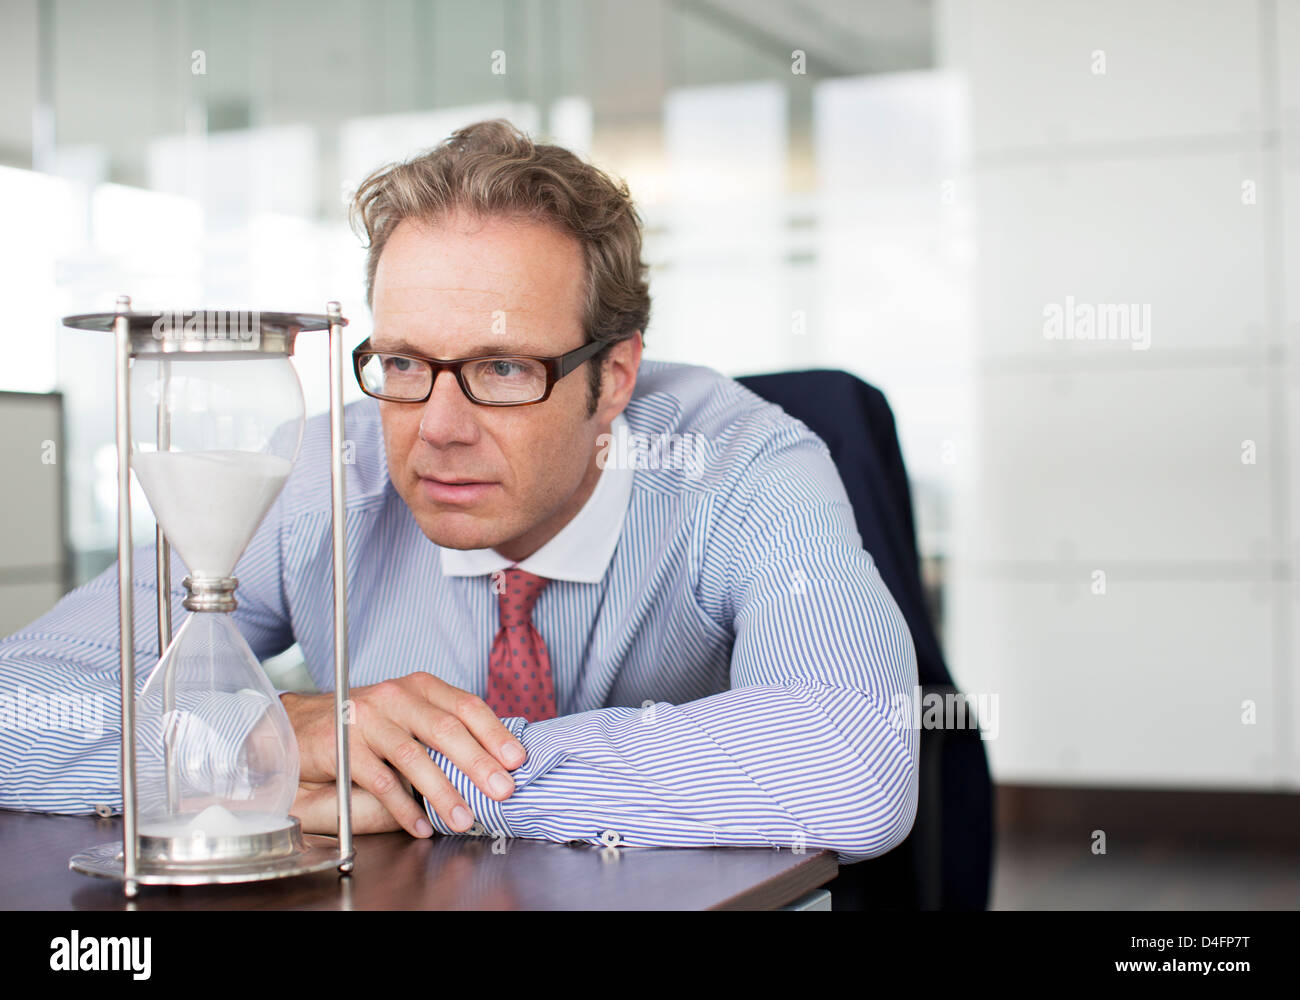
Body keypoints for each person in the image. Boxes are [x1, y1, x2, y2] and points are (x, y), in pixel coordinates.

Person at [0, 119, 918, 866]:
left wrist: (426, 775)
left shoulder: (741, 465)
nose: (436, 426)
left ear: (617, 375)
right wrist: (265, 736)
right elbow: (16, 703)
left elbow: (850, 759)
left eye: (505, 367)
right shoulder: (322, 475)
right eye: (402, 362)